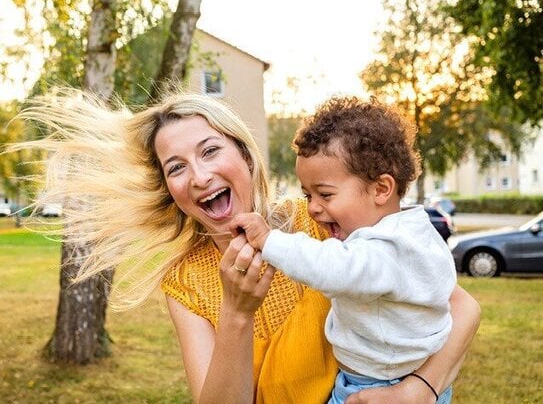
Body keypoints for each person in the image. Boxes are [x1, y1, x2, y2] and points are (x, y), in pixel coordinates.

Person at [13, 88, 480, 403]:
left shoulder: (319, 223)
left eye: (210, 150)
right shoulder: (187, 284)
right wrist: (236, 313)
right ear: (169, 187)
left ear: (245, 154)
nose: (198, 176)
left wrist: (418, 389)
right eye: (176, 167)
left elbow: (457, 305)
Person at [232, 96, 456, 403]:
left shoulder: (387, 251)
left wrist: (269, 240)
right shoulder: (416, 232)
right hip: (404, 375)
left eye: (325, 194)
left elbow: (331, 267)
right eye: (307, 194)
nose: (312, 208)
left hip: (378, 385)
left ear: (381, 189)